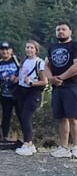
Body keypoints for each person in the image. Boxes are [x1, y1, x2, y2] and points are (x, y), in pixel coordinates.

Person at [44, 21, 77, 158]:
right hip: (57, 88)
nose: (60, 32)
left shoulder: (75, 45)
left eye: (63, 29)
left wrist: (61, 77)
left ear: (70, 31)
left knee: (73, 118)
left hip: (72, 86)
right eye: (58, 29)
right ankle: (64, 147)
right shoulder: (52, 47)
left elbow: (76, 66)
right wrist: (51, 78)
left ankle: (76, 146)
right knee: (61, 118)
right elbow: (46, 65)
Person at [15, 40, 47, 156]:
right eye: (27, 47)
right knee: (22, 117)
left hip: (33, 92)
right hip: (22, 91)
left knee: (26, 116)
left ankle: (28, 143)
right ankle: (29, 143)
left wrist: (33, 83)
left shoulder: (40, 63)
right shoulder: (24, 61)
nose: (29, 49)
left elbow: (44, 82)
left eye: (31, 48)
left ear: (36, 50)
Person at [0, 41, 20, 140]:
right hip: (4, 94)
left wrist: (18, 78)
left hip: (17, 94)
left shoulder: (16, 60)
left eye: (7, 49)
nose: (5, 51)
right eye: (3, 50)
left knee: (21, 115)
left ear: (11, 50)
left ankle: (26, 138)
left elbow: (24, 71)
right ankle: (4, 137)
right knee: (5, 117)